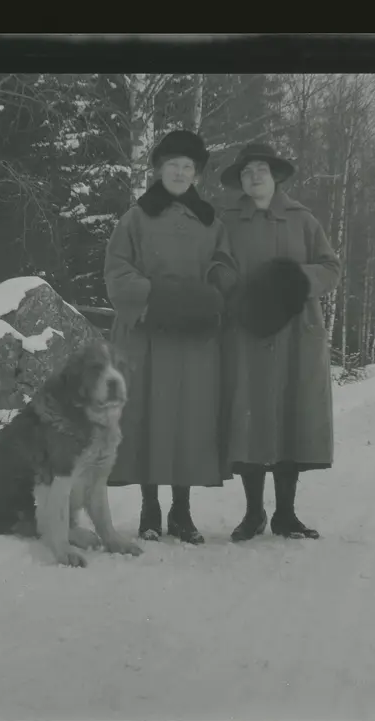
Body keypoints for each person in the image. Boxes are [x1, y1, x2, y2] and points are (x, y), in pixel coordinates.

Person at [103, 129, 238, 544]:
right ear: (159, 169)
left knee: (189, 418)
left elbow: (224, 264)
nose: (180, 173)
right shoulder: (135, 218)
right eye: (173, 165)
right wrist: (155, 296)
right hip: (146, 334)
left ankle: (182, 511)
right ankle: (150, 508)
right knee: (147, 415)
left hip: (194, 336)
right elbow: (117, 270)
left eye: (187, 167)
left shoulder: (211, 222)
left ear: (196, 174)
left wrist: (215, 289)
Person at [217, 142, 342, 542]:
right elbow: (216, 266)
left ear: (275, 177)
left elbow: (330, 267)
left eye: (261, 170)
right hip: (247, 332)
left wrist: (294, 279)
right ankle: (253, 513)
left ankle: (286, 515)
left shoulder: (303, 220)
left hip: (296, 335)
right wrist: (236, 292)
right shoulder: (227, 221)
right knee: (249, 418)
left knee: (291, 418)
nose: (254, 177)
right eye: (247, 171)